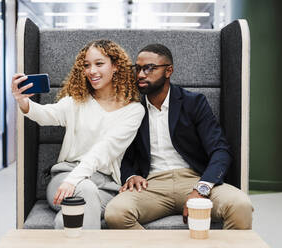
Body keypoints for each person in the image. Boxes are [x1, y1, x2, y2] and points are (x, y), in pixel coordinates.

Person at [104, 44, 253, 230]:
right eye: (138, 68)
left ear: (169, 71)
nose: (141, 74)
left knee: (241, 205)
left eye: (149, 68)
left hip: (194, 179)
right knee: (115, 213)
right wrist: (131, 175)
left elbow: (220, 151)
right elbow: (123, 156)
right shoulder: (133, 110)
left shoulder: (193, 103)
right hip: (152, 185)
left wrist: (202, 188)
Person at [11, 40, 145, 229]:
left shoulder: (133, 110)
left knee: (66, 220)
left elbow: (105, 149)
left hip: (105, 187)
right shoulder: (76, 101)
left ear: (115, 66)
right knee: (85, 191)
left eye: (99, 64)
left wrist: (74, 181)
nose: (92, 71)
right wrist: (23, 102)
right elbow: (46, 115)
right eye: (86, 65)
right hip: (65, 176)